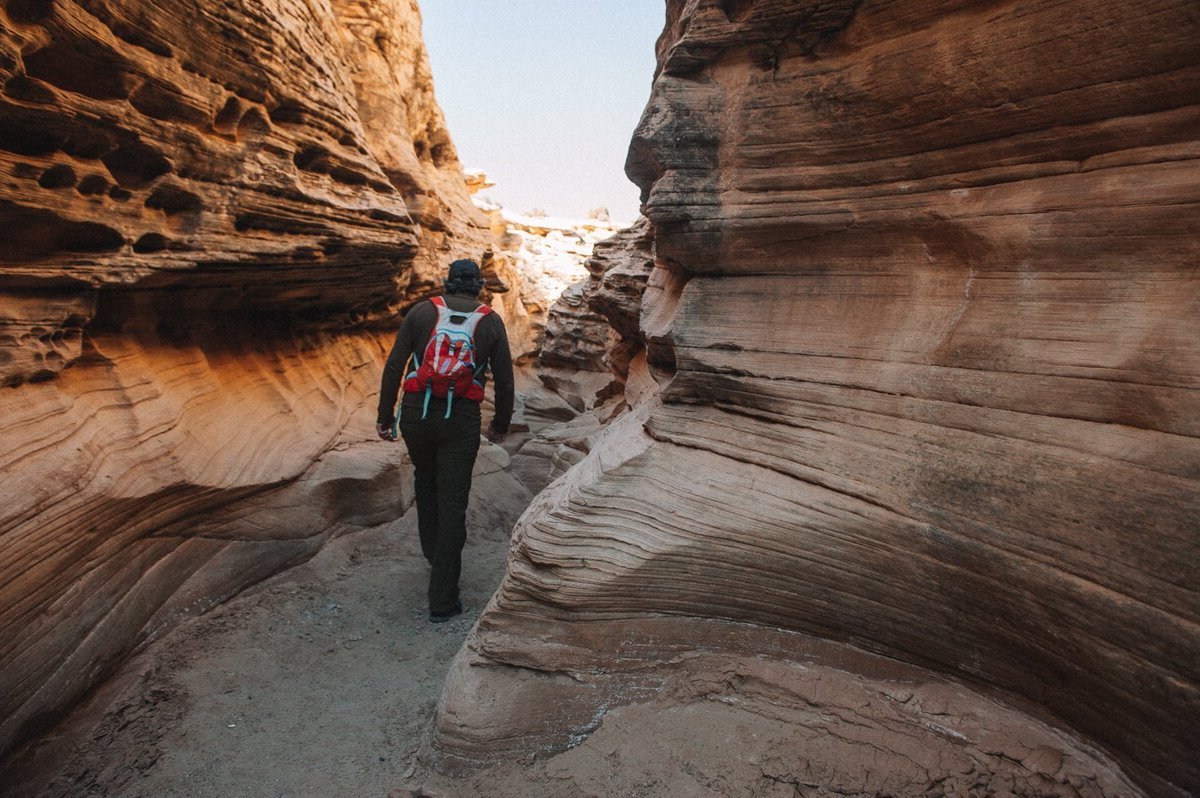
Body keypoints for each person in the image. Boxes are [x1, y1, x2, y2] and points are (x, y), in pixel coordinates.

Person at [376, 258, 514, 623]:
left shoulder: (422, 312)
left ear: (448, 283)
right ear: (478, 288)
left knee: (426, 480)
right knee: (453, 501)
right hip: (461, 420)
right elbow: (504, 378)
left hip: (416, 414)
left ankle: (435, 558)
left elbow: (395, 366)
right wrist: (500, 424)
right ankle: (443, 599)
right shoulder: (490, 321)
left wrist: (384, 416)